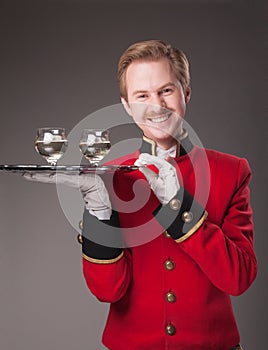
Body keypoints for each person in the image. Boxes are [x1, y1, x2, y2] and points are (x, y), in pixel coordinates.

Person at [25, 40, 257, 350]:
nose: (156, 105)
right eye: (142, 95)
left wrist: (180, 207)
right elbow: (108, 291)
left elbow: (239, 278)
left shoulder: (231, 171)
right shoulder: (106, 177)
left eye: (166, 91)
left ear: (186, 92)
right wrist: (98, 212)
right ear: (126, 105)